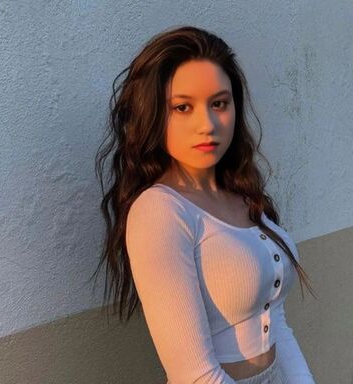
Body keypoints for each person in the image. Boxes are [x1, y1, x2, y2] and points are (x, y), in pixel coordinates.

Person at [90, 25, 317, 383]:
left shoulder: (241, 194)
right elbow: (193, 375)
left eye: (219, 104)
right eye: (182, 107)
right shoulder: (160, 212)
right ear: (153, 114)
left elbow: (277, 322)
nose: (207, 124)